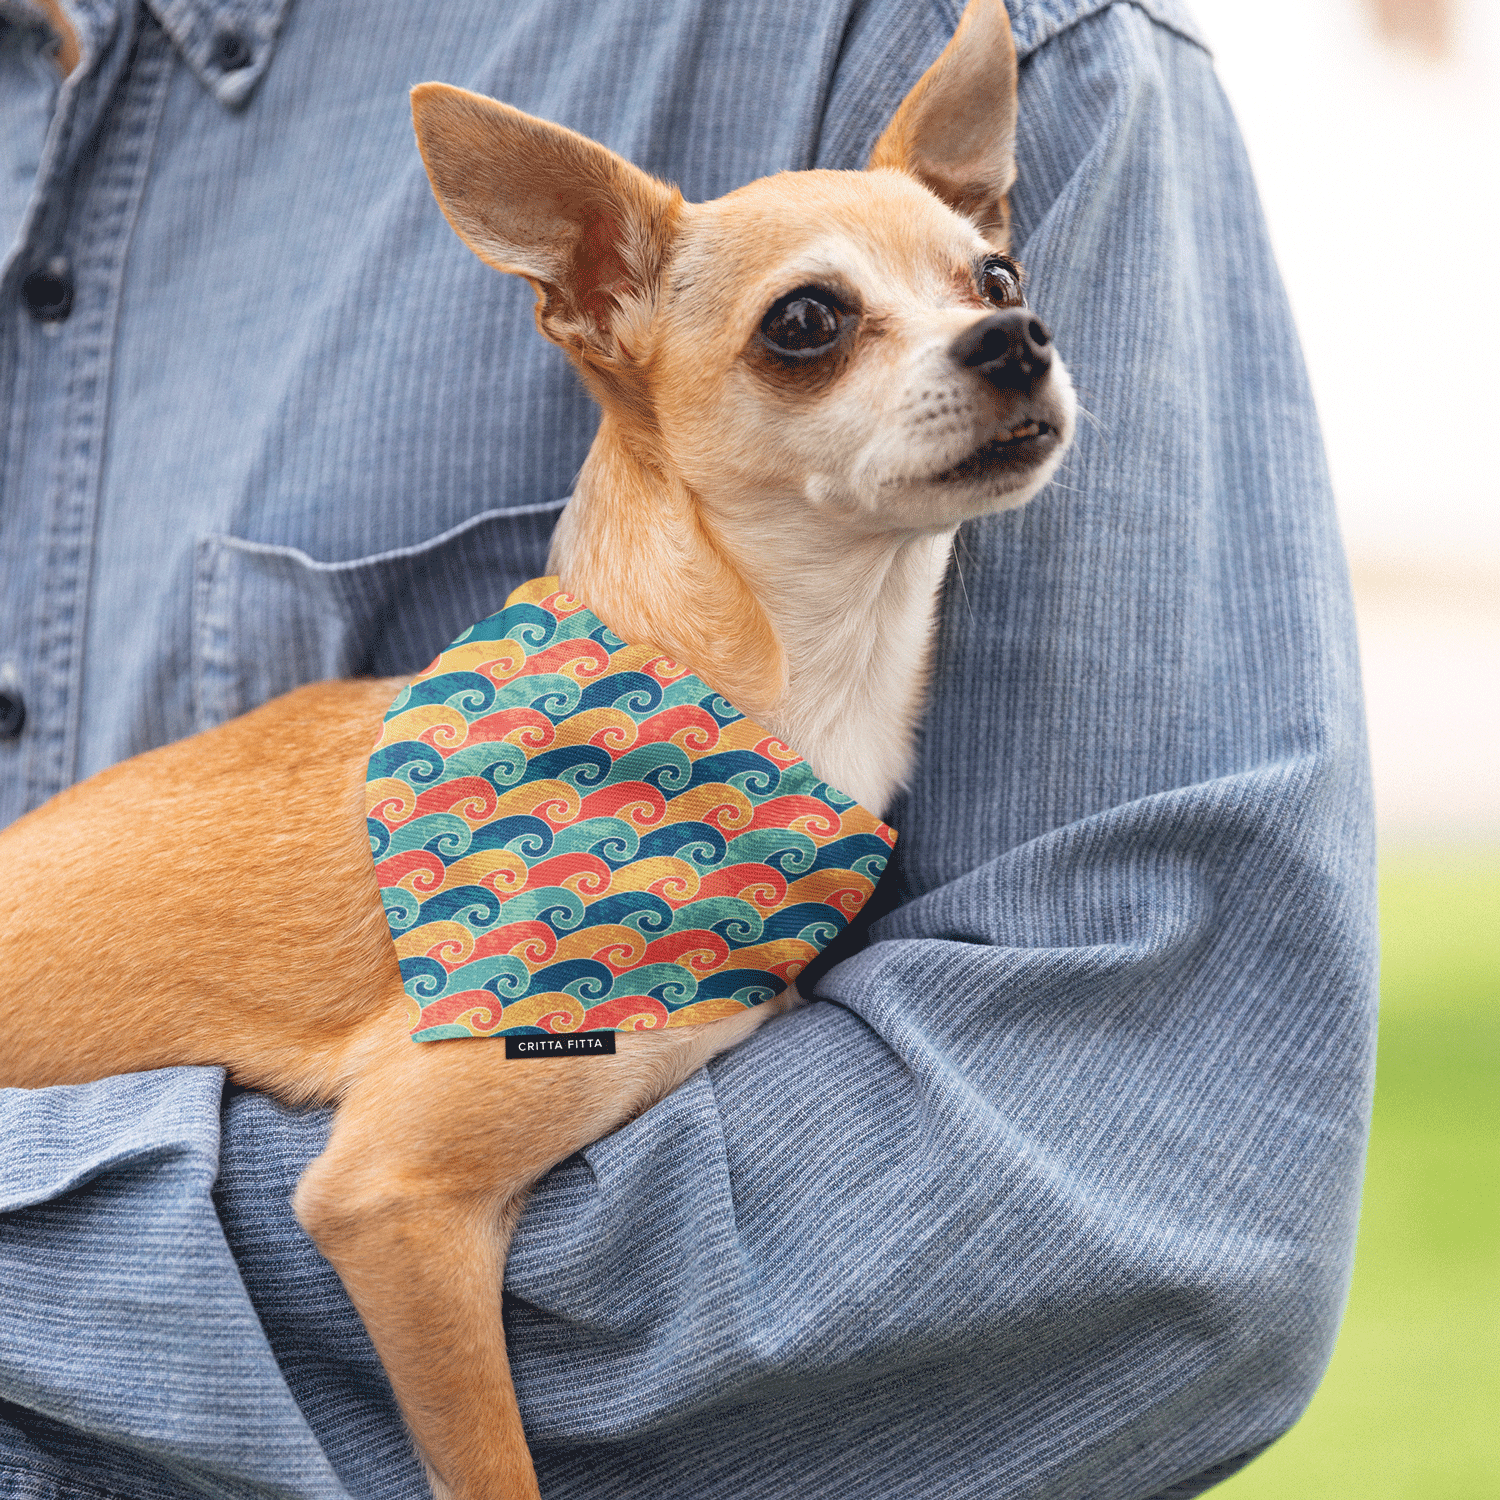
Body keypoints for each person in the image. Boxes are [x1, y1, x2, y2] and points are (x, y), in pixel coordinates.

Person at [0, 0, 1377, 1496]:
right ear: (601, 299)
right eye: (812, 329)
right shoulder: (593, 895)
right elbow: (393, 1202)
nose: (994, 337)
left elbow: (1153, 1233)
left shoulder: (684, 845)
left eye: (986, 279)